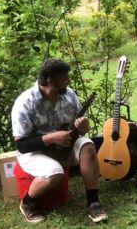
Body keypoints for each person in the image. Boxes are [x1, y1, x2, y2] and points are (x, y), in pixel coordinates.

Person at [11, 58, 107, 223]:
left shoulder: (69, 94)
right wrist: (52, 138)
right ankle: (27, 202)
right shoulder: (25, 103)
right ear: (50, 80)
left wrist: (82, 127)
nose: (68, 81)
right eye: (64, 77)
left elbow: (80, 128)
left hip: (65, 147)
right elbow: (21, 145)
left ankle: (93, 202)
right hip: (35, 152)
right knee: (55, 173)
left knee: (88, 146)